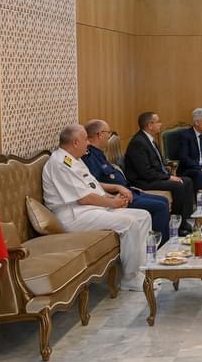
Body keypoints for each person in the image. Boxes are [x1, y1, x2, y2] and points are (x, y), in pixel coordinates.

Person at [42, 124, 151, 292]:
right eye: (85, 139)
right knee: (129, 223)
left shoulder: (74, 159)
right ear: (76, 142)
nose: (88, 143)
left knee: (143, 216)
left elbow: (92, 187)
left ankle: (141, 270)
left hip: (89, 209)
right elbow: (84, 198)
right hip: (74, 216)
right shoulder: (60, 163)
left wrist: (113, 197)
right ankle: (130, 278)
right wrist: (113, 203)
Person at [82, 119, 172, 245]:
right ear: (100, 134)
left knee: (163, 200)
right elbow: (95, 184)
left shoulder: (98, 153)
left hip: (127, 190)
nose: (109, 136)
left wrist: (128, 187)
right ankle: (159, 247)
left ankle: (159, 243)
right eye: (108, 133)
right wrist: (117, 190)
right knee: (160, 206)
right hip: (117, 197)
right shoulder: (89, 157)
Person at [124, 112, 194, 235]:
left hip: (153, 177)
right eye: (158, 121)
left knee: (187, 181)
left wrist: (168, 176)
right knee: (178, 185)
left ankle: (185, 220)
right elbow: (145, 172)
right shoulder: (138, 143)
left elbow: (158, 165)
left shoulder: (150, 140)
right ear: (150, 125)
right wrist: (168, 177)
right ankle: (175, 224)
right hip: (143, 182)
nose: (161, 124)